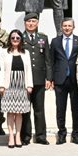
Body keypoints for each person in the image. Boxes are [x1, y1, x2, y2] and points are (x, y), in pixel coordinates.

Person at [48, 17, 78, 144]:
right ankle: (62, 133)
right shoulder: (55, 41)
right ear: (61, 27)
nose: (67, 28)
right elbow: (51, 61)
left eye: (69, 26)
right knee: (60, 108)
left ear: (73, 27)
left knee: (76, 108)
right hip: (60, 80)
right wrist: (50, 78)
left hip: (75, 80)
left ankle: (76, 134)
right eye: (65, 26)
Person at [20, 12, 50, 144]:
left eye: (33, 21)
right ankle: (25, 136)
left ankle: (41, 136)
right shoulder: (19, 37)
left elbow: (48, 60)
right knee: (25, 109)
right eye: (28, 21)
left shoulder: (43, 38)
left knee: (39, 109)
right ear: (25, 23)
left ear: (37, 23)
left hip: (39, 79)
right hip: (24, 79)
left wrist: (49, 78)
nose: (31, 24)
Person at [0, 30, 33, 148]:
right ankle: (10, 137)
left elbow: (29, 70)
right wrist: (1, 85)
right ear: (10, 39)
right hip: (9, 84)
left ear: (20, 40)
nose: (15, 40)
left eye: (17, 38)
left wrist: (29, 85)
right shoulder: (5, 52)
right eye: (13, 38)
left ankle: (18, 135)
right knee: (10, 112)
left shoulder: (26, 53)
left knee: (19, 112)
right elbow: (2, 70)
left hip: (21, 84)